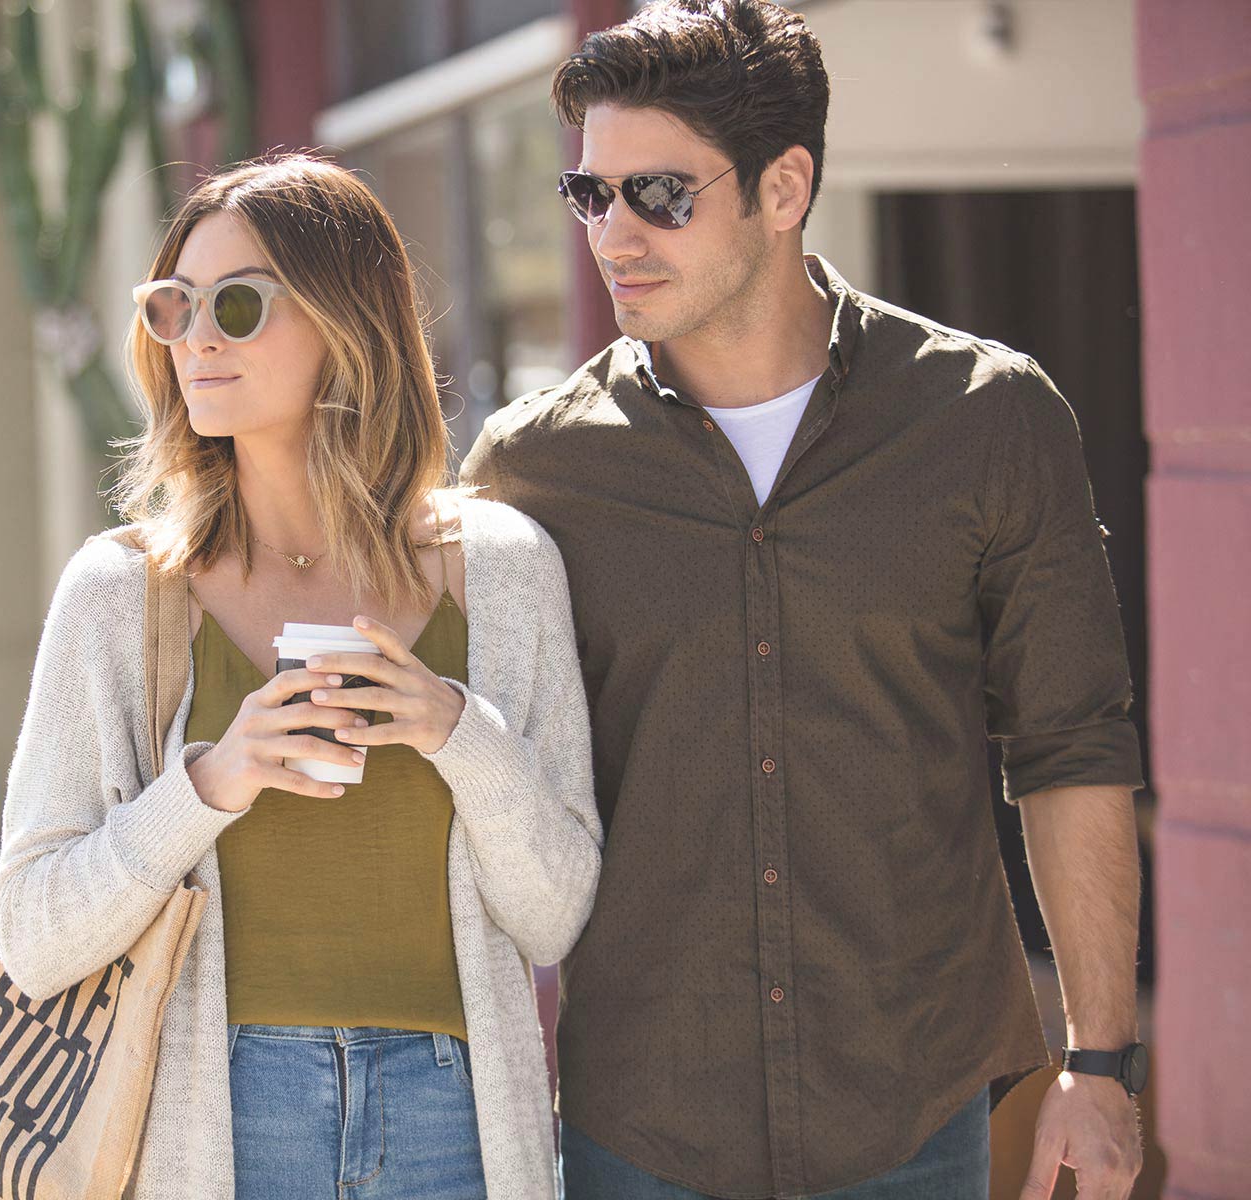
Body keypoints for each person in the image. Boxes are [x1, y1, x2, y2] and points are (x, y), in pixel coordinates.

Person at [460, 3, 1147, 1199]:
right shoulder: (532, 471)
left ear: (784, 189)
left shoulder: (988, 422)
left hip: (915, 1108)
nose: (612, 234)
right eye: (590, 196)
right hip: (642, 1122)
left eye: (659, 194)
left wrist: (1099, 1061)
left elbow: (1069, 746)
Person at [0, 153, 603, 1200]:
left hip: (452, 1117)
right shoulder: (122, 593)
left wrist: (458, 729)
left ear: (346, 320)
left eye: (236, 304)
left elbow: (553, 918)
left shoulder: (501, 571)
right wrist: (211, 783)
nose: (196, 339)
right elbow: (35, 936)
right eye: (172, 307)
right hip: (220, 1115)